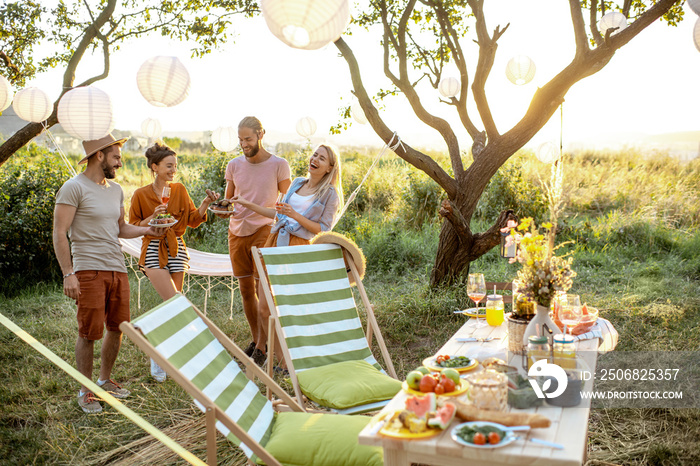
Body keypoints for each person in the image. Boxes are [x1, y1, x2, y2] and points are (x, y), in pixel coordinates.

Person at [53, 133, 164, 414]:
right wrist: (68, 273)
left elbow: (121, 229)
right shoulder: (73, 188)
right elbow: (59, 232)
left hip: (117, 267)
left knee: (118, 328)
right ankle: (85, 389)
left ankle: (104, 380)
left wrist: (148, 230)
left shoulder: (115, 190)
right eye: (116, 156)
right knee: (89, 332)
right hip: (88, 269)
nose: (120, 162)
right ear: (99, 155)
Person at [235, 144, 344, 371]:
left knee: (291, 309)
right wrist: (248, 204)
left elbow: (323, 228)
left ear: (329, 168)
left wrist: (295, 215)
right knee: (264, 307)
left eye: (322, 158)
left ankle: (300, 357)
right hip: (274, 243)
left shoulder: (329, 193)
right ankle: (283, 363)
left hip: (298, 250)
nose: (315, 159)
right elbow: (278, 213)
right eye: (315, 154)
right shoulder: (297, 183)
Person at [128, 141, 219, 382]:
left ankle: (168, 358)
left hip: (177, 248)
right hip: (153, 249)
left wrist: (206, 204)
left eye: (175, 166)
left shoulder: (179, 190)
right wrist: (153, 217)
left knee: (174, 307)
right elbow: (132, 226)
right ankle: (160, 356)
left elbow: (191, 219)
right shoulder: (140, 195)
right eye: (169, 166)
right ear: (154, 166)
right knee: (175, 303)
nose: (173, 170)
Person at [224, 116, 291, 366]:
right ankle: (256, 341)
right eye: (240, 140)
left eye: (248, 139)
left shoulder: (279, 165)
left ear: (261, 134)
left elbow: (287, 201)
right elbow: (229, 200)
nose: (243, 144)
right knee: (245, 291)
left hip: (264, 230)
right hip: (236, 231)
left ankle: (263, 346)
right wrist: (222, 208)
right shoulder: (233, 165)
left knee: (263, 292)